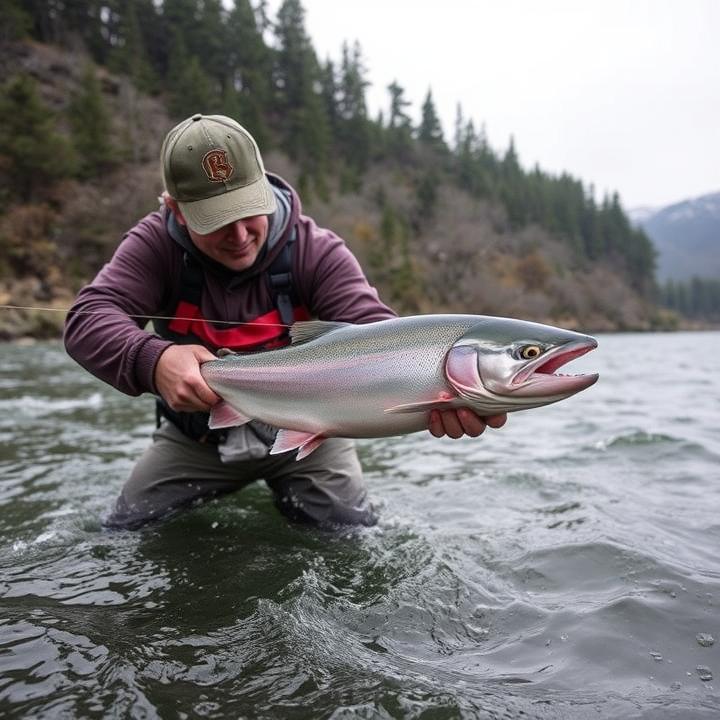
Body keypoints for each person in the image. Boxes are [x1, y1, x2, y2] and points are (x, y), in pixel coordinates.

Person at [64, 113, 507, 530]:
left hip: (314, 432)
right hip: (196, 442)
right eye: (215, 222)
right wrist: (154, 360)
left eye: (247, 212)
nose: (238, 236)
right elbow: (87, 319)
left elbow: (378, 332)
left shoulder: (315, 250)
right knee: (123, 533)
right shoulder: (154, 247)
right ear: (175, 209)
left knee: (349, 539)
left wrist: (435, 387)